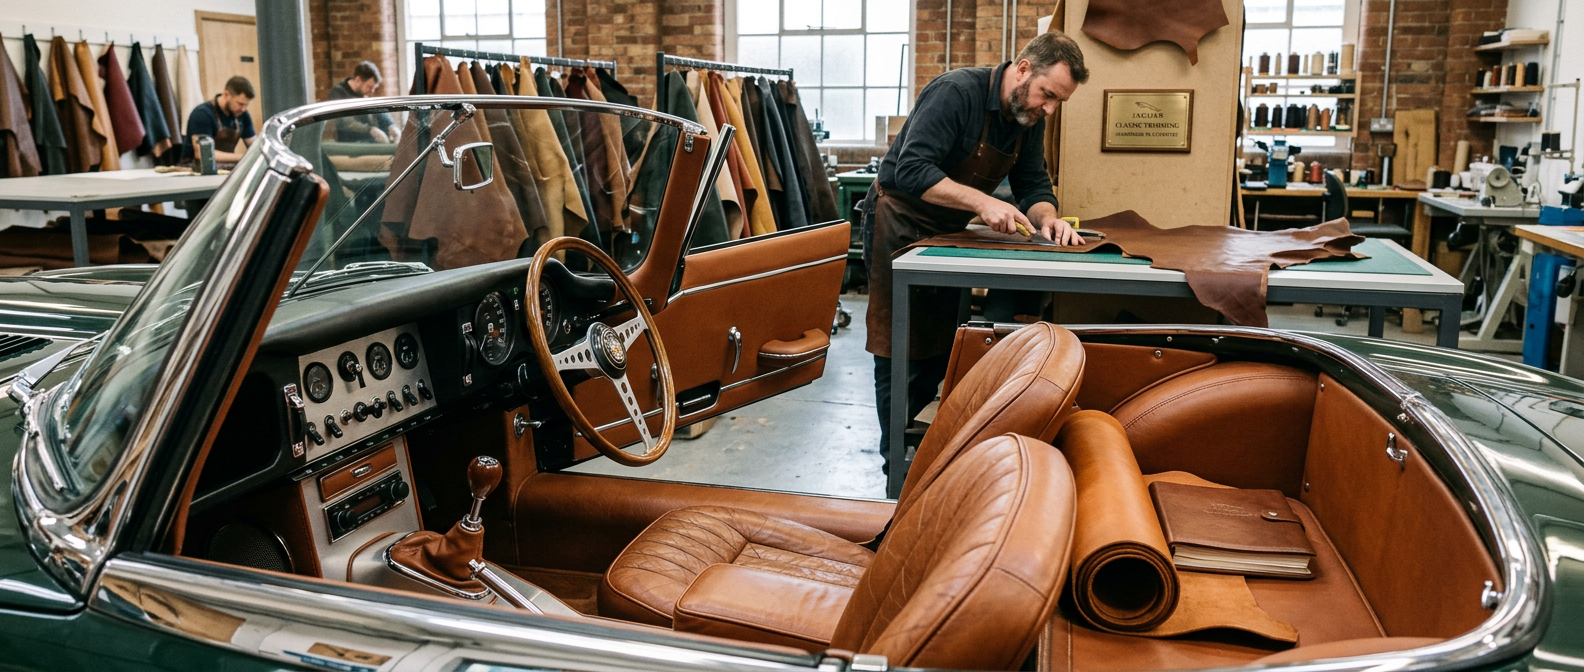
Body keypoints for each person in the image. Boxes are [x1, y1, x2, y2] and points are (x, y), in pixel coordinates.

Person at [863, 31, 1089, 477]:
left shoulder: (1027, 117)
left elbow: (1033, 185)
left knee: (946, 344)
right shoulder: (956, 92)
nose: (1049, 109)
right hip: (900, 223)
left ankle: (928, 454)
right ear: (1023, 69)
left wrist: (1047, 218)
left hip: (947, 234)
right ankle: (896, 467)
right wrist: (982, 203)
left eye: (1058, 102)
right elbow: (910, 169)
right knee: (898, 344)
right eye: (1048, 95)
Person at [182, 76, 256, 165]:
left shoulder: (243, 115)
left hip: (223, 167)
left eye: (246, 105)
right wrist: (244, 157)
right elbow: (202, 153)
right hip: (193, 169)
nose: (243, 109)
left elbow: (254, 145)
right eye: (240, 104)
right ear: (226, 95)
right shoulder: (202, 114)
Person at [326, 61, 400, 143]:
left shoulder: (365, 93)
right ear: (358, 80)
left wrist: (391, 125)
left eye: (374, 88)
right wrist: (370, 130)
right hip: (350, 145)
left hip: (369, 142)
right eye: (369, 87)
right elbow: (344, 122)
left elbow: (379, 110)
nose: (372, 91)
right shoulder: (338, 93)